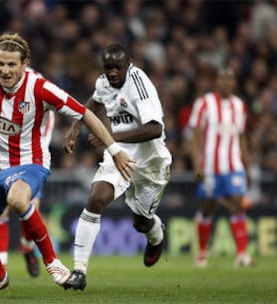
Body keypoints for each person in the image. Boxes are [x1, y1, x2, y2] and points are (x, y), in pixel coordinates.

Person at [0, 33, 134, 293]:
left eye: (11, 65)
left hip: (31, 162)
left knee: (18, 200)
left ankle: (53, 262)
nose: (5, 71)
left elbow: (85, 114)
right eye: (1, 64)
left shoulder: (40, 87)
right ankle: (0, 274)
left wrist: (115, 148)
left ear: (24, 63)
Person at [62, 43, 172, 290]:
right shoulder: (103, 82)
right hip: (119, 154)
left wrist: (109, 137)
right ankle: (79, 271)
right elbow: (94, 99)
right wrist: (76, 126)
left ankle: (156, 236)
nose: (112, 72)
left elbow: (156, 129)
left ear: (128, 65)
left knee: (140, 222)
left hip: (151, 162)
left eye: (117, 67)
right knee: (96, 199)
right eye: (108, 67)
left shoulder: (138, 83)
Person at [0, 104, 55, 278]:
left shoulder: (37, 87)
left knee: (30, 206)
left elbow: (47, 125)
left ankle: (28, 246)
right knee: (0, 214)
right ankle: (1, 269)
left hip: (28, 162)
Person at [188, 67, 254, 268]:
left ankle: (242, 254)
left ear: (234, 83)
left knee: (236, 202)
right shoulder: (204, 103)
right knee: (208, 207)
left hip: (233, 165)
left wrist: (247, 165)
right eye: (222, 79)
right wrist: (196, 164)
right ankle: (201, 252)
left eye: (230, 79)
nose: (226, 83)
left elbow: (241, 137)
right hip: (208, 167)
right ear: (216, 81)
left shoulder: (239, 105)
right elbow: (195, 137)